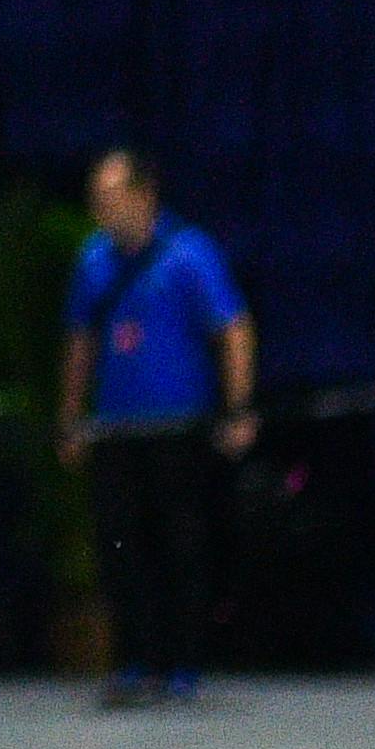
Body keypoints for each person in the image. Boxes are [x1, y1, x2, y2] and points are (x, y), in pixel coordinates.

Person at [59, 149, 256, 708]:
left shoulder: (189, 254)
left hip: (178, 430)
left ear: (144, 195)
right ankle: (134, 658)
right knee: (121, 545)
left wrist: (237, 407)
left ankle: (183, 661)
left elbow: (233, 329)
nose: (101, 207)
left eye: (111, 196)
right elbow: (80, 341)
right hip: (116, 432)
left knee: (181, 543)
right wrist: (71, 416)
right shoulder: (93, 259)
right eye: (97, 198)